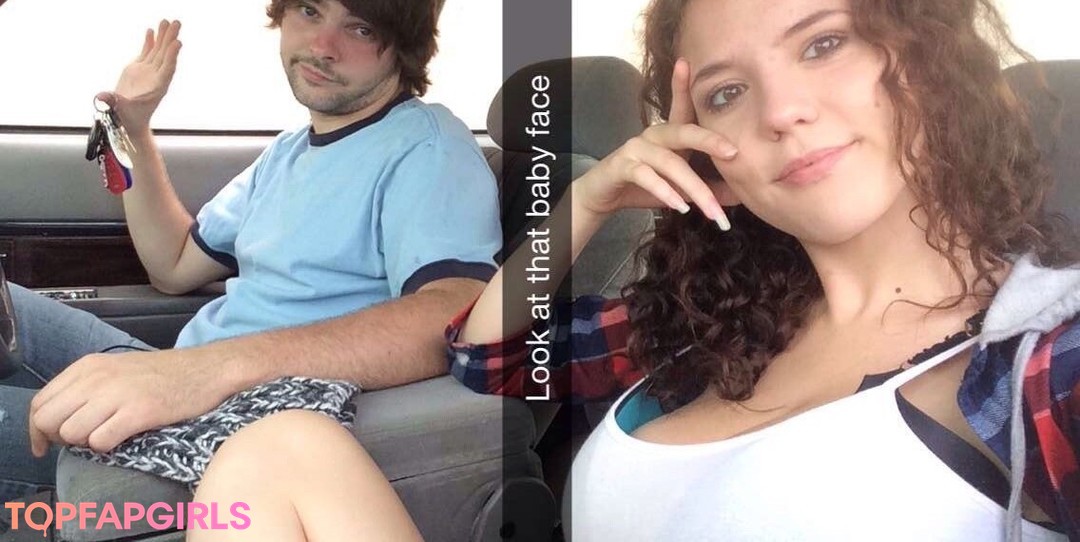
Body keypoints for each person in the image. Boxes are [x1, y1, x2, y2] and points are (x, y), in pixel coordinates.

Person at [445, 0, 1080, 540]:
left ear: (927, 59)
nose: (779, 112)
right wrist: (586, 200)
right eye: (726, 93)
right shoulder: (711, 323)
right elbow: (491, 358)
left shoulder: (1046, 357)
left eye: (823, 44)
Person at [0, 0, 500, 523]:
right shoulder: (288, 152)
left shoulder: (427, 148)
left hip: (230, 427)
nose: (322, 46)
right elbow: (173, 265)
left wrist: (201, 374)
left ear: (405, 48)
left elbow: (453, 311)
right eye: (309, 10)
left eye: (360, 28)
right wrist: (133, 127)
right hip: (183, 376)